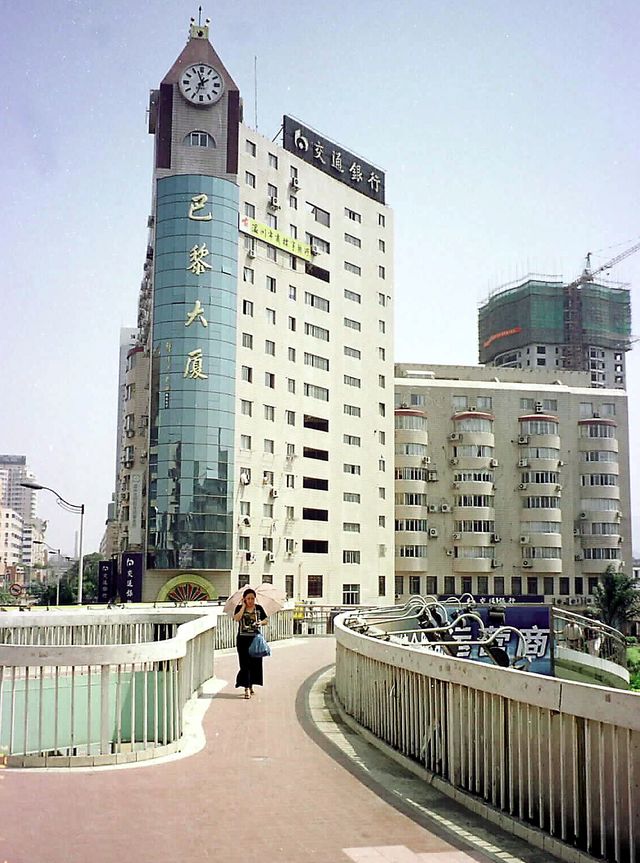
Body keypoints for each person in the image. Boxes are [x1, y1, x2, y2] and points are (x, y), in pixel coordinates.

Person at [233, 588, 268, 698]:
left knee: (255, 664)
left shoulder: (258, 608)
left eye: (252, 598)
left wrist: (260, 622)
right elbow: (236, 618)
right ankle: (246, 687)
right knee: (244, 664)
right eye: (248, 598)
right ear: (244, 599)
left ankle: (251, 684)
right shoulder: (239, 608)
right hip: (242, 639)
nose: (250, 600)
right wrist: (243, 607)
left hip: (255, 639)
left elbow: (266, 620)